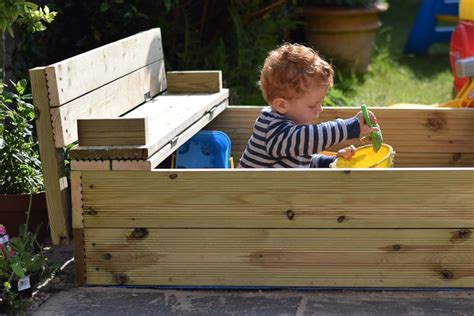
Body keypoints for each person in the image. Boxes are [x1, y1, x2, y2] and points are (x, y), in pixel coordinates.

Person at [239, 43, 379, 168]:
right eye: (312, 105)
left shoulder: (292, 130)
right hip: (246, 197)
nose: (320, 109)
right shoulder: (272, 130)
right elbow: (309, 137)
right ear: (281, 105)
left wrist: (331, 161)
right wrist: (350, 127)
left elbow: (302, 162)